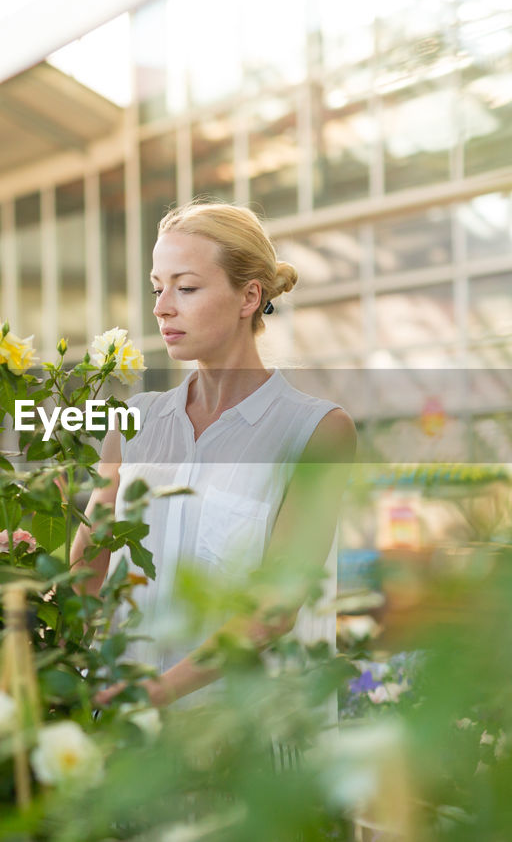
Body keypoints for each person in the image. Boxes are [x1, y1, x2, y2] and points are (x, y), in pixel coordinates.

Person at [70, 201, 356, 708]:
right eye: (158, 288)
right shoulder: (132, 422)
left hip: (244, 742)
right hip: (126, 733)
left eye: (186, 287)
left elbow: (273, 608)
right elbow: (89, 566)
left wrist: (154, 693)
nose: (161, 307)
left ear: (249, 296)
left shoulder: (316, 432)